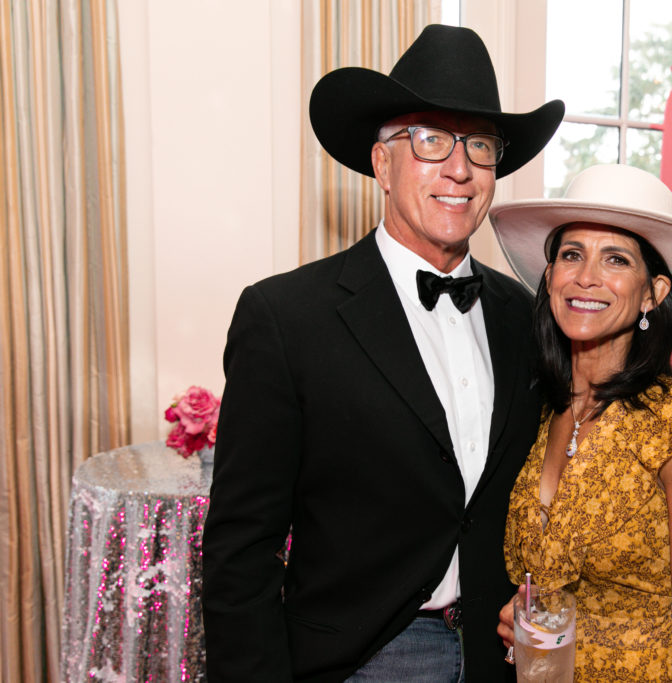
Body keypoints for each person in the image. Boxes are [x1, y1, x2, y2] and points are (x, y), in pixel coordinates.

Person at [201, 24, 564, 682]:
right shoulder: (286, 318)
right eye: (430, 140)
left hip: (499, 654)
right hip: (364, 658)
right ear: (381, 163)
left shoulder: (523, 315)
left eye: (479, 146)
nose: (459, 168)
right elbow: (239, 551)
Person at [492, 163, 672, 681]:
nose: (586, 276)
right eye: (571, 254)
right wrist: (520, 620)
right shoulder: (538, 408)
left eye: (616, 259)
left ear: (653, 293)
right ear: (549, 276)